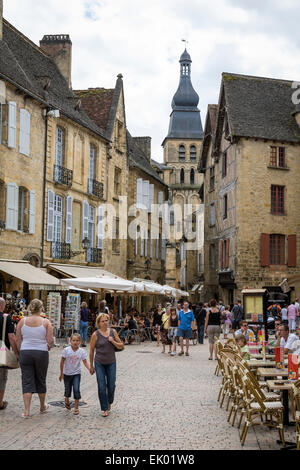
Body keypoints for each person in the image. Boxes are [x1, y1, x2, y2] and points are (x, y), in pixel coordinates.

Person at [15, 299, 54, 418]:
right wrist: (48, 346)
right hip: (41, 352)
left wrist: (20, 351)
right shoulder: (46, 322)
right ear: (41, 308)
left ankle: (27, 411)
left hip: (25, 352)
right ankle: (42, 406)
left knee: (27, 381)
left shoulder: (22, 321)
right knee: (41, 379)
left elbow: (18, 339)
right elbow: (50, 340)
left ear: (30, 308)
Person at [89, 313, 123, 417]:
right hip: (99, 363)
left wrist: (113, 342)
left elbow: (121, 346)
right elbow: (91, 351)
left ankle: (109, 402)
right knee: (101, 386)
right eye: (102, 321)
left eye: (106, 320)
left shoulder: (113, 332)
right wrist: (91, 365)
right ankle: (104, 408)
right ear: (98, 323)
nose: (105, 323)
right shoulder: (95, 334)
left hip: (111, 362)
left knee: (111, 385)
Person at [59, 333, 90, 415]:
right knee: (67, 389)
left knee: (76, 389)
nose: (75, 342)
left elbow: (85, 362)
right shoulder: (66, 350)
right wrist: (61, 373)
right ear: (70, 341)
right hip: (67, 374)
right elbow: (62, 362)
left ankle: (76, 407)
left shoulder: (81, 351)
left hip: (76, 373)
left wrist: (90, 369)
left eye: (77, 341)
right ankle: (67, 400)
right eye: (73, 340)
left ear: (80, 342)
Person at [0, 297, 19, 411]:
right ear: (3, 306)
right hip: (2, 352)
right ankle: (0, 403)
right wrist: (16, 353)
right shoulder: (6, 318)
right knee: (1, 377)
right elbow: (11, 337)